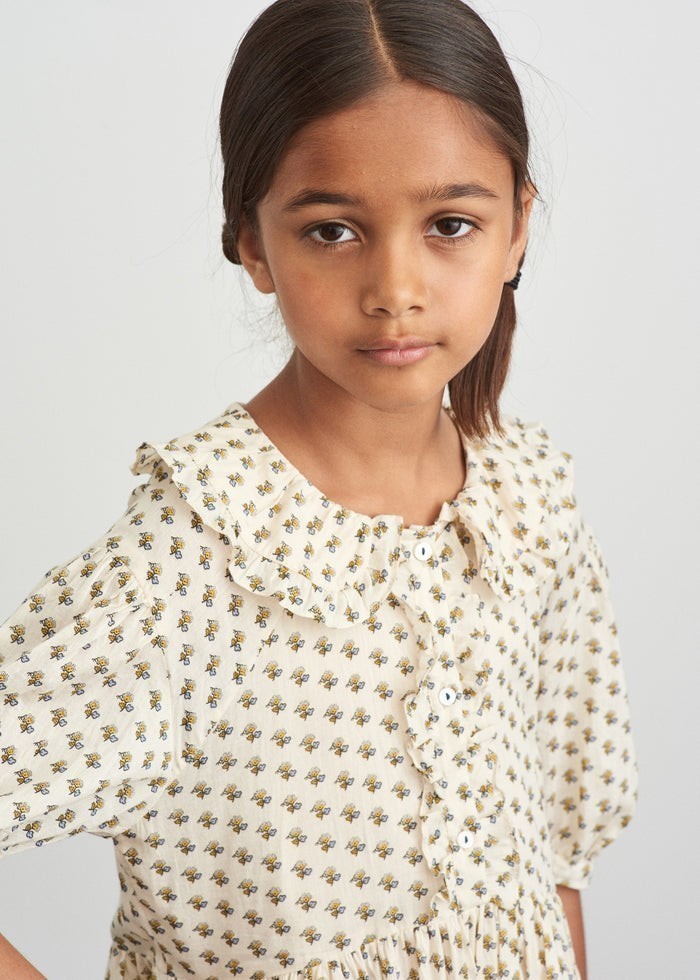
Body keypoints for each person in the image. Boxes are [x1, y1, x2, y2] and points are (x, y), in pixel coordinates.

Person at [0, 1, 639, 977]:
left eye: (451, 224)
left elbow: (553, 856)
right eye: (333, 230)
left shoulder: (528, 503)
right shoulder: (186, 564)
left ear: (518, 229)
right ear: (253, 243)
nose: (395, 288)